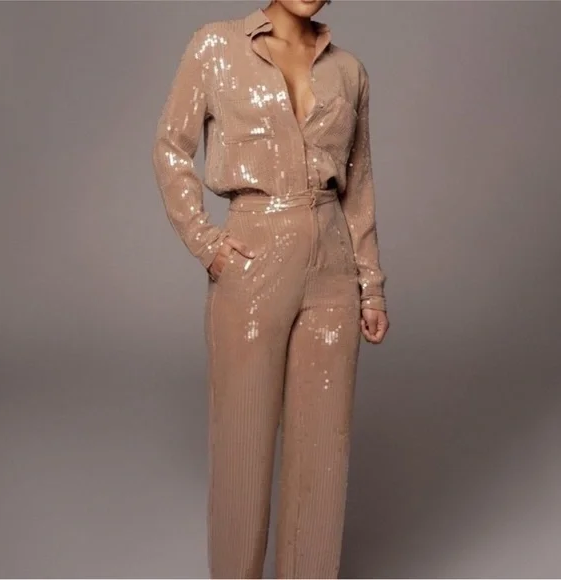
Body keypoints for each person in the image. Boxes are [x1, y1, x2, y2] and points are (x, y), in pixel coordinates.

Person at [151, 1, 390, 577]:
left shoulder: (349, 72)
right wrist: (205, 242)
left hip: (333, 264)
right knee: (243, 442)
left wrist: (371, 285)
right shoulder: (215, 46)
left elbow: (358, 185)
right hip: (254, 255)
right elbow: (170, 147)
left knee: (324, 450)